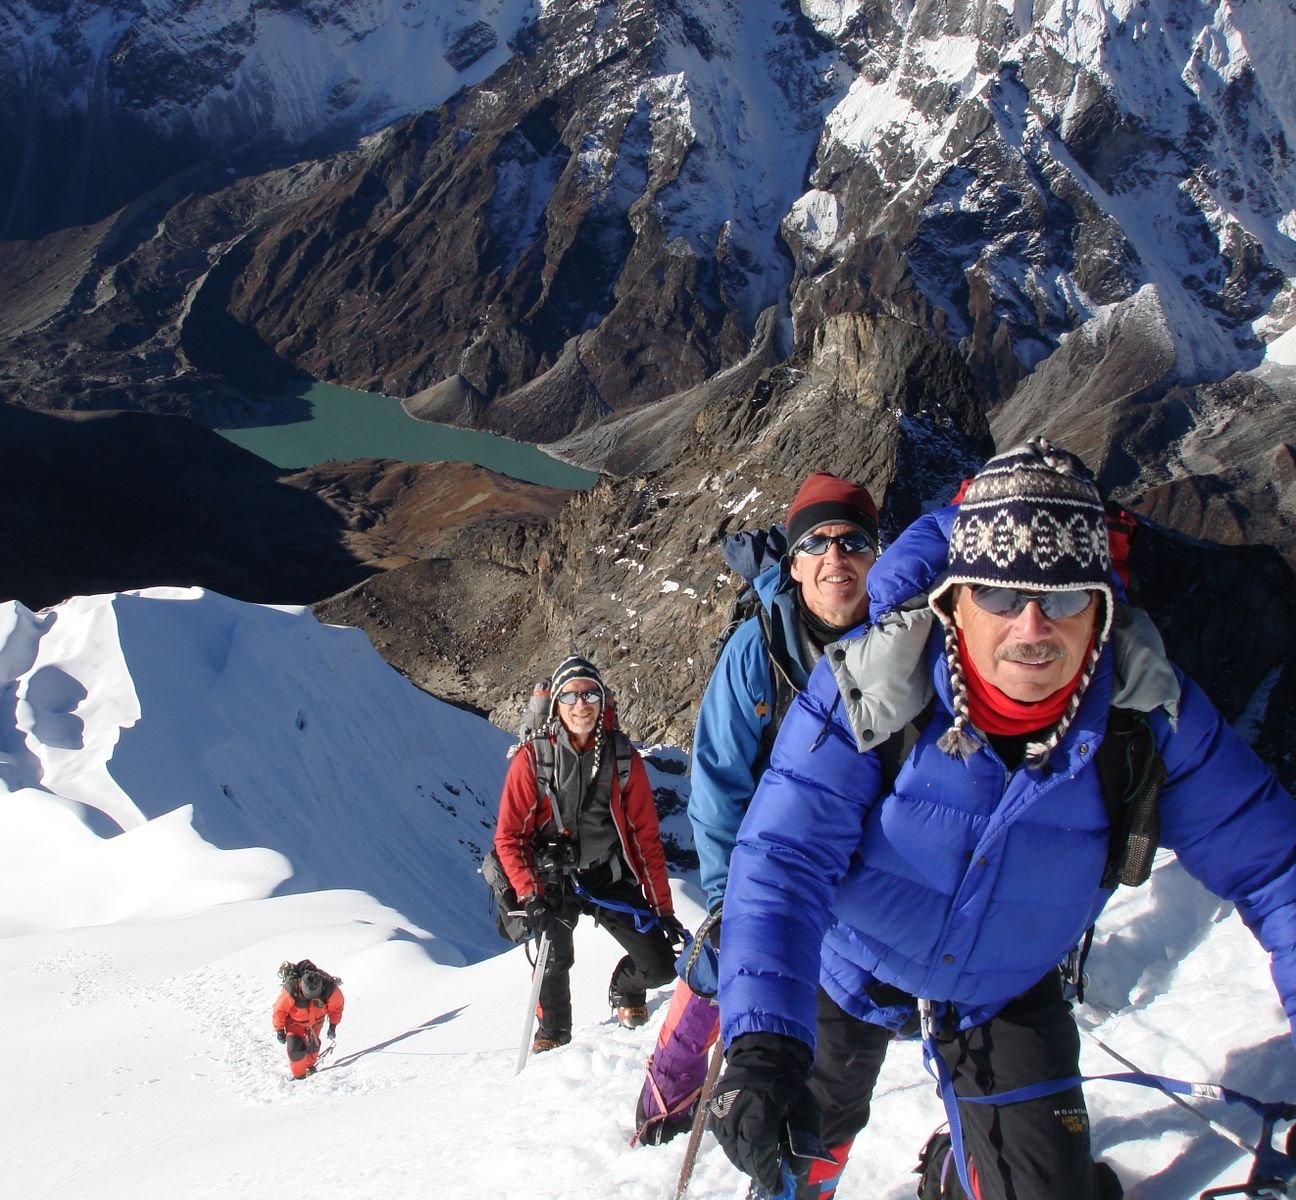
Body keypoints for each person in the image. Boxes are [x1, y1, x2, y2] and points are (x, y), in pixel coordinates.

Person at [710, 438, 1296, 1200]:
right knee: (807, 1136)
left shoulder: (1149, 716)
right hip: (851, 960)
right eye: (998, 592)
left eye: (1061, 596)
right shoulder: (872, 689)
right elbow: (783, 858)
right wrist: (762, 1043)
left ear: (1101, 611)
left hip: (1005, 981)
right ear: (953, 599)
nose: (1031, 625)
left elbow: (1277, 866)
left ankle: (958, 1172)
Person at [634, 472, 881, 1150]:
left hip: (854, 870)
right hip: (765, 859)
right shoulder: (757, 652)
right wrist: (725, 899)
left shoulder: (900, 642)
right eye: (818, 542)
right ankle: (667, 1093)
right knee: (722, 967)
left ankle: (802, 1161)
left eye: (854, 540)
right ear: (796, 563)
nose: (837, 557)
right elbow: (718, 782)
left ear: (876, 555)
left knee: (842, 1029)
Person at [494, 654, 680, 1052]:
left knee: (661, 966)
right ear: (557, 704)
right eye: (571, 695)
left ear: (602, 700)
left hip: (605, 874)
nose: (582, 704)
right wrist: (530, 894)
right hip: (551, 880)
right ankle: (553, 1035)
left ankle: (627, 988)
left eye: (590, 693)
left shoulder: (623, 758)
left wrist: (663, 910)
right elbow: (509, 837)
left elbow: (645, 838)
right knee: (553, 958)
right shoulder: (534, 760)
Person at [273, 959, 344, 1080]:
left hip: (316, 1022)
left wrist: (333, 1026)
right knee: (295, 1049)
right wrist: (279, 1030)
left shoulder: (330, 990)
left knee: (313, 1047)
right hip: (295, 1023)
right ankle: (299, 1077)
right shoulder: (291, 990)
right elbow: (279, 1010)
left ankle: (310, 1067)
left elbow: (336, 1008)